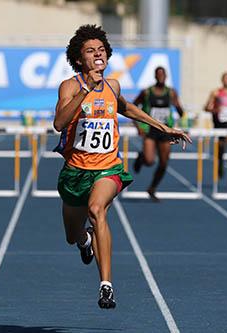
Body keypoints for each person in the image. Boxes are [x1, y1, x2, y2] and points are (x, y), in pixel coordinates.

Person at [54, 25, 191, 309]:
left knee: (96, 209)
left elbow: (126, 107)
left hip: (107, 167)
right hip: (76, 171)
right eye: (91, 51)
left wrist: (162, 127)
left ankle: (106, 286)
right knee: (72, 235)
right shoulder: (69, 86)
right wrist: (86, 90)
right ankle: (84, 241)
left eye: (101, 50)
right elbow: (59, 123)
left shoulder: (112, 86)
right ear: (80, 59)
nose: (98, 54)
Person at [132, 67, 185, 202]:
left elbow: (180, 111)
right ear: (155, 76)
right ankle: (142, 158)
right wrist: (138, 126)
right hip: (150, 130)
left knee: (163, 163)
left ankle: (152, 188)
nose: (161, 77)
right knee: (150, 161)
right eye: (159, 74)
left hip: (165, 130)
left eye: (163, 74)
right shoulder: (147, 92)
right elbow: (132, 108)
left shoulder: (171, 92)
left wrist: (178, 108)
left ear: (166, 76)